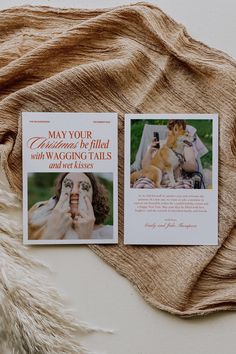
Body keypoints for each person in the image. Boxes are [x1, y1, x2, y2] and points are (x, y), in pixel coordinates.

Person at [42, 172, 113, 240]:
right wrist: (52, 234)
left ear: (93, 195)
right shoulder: (40, 230)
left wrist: (85, 238)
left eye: (84, 187)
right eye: (68, 185)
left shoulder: (111, 234)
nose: (74, 191)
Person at [141, 120, 199, 187]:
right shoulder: (156, 144)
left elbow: (192, 167)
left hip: (175, 180)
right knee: (143, 185)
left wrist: (179, 160)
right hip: (153, 178)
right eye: (172, 128)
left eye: (178, 129)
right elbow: (145, 167)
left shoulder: (185, 145)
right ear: (168, 129)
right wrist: (150, 150)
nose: (175, 132)